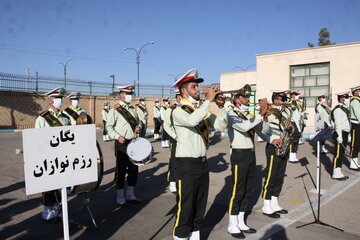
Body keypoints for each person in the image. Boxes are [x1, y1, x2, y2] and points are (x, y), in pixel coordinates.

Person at [170, 68, 227, 240]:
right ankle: (180, 236)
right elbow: (192, 120)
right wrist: (208, 102)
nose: (198, 90)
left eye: (198, 86)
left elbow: (220, 126)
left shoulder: (200, 109)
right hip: (186, 164)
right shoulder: (178, 111)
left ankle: (195, 236)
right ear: (183, 90)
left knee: (199, 205)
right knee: (186, 207)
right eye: (194, 87)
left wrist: (221, 107)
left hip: (202, 163)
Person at [224, 84, 268, 238]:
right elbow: (244, 127)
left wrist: (266, 117)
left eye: (249, 96)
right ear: (237, 99)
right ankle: (232, 224)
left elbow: (261, 130)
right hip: (239, 154)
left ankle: (241, 221)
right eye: (245, 96)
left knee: (248, 188)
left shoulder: (249, 113)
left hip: (250, 153)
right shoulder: (230, 113)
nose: (248, 99)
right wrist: (261, 113)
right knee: (238, 189)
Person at [35, 87, 70, 221]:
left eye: (60, 98)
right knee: (48, 185)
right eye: (56, 98)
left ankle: (57, 209)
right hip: (48, 157)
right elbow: (38, 139)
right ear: (50, 101)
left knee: (60, 184)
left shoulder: (65, 118)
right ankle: (47, 211)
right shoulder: (42, 118)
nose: (59, 101)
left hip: (62, 157)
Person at [106, 84, 142, 206]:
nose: (130, 96)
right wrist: (117, 136)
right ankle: (120, 196)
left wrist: (138, 128)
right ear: (121, 95)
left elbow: (138, 124)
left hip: (133, 142)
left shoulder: (132, 109)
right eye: (128, 94)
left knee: (133, 169)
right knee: (121, 170)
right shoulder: (114, 110)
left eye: (131, 94)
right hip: (121, 143)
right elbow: (109, 127)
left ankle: (130, 195)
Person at [260, 90, 292, 219]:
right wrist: (272, 139)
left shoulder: (286, 112)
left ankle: (274, 202)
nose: (284, 102)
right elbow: (263, 130)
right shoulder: (270, 111)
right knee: (271, 176)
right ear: (276, 100)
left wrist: (291, 128)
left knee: (279, 176)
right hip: (274, 146)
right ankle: (266, 205)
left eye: (284, 100)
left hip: (284, 145)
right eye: (281, 100)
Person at [163, 89, 182, 193]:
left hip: (185, 140)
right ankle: (172, 182)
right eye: (179, 96)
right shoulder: (171, 109)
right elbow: (166, 125)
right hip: (175, 139)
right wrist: (175, 136)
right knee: (174, 160)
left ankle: (180, 180)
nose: (181, 98)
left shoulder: (186, 108)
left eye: (182, 96)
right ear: (176, 97)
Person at [330, 91, 351, 180]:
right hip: (340, 133)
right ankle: (335, 172)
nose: (347, 99)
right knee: (338, 154)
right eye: (345, 98)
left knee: (341, 153)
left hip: (344, 133)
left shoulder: (344, 108)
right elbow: (338, 124)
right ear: (341, 99)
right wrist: (339, 135)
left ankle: (338, 171)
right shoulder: (338, 109)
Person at [288, 90, 301, 163]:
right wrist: (298, 128)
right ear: (292, 95)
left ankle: (294, 155)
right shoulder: (292, 103)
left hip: (296, 123)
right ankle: (291, 156)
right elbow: (295, 117)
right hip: (293, 123)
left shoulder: (296, 103)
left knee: (296, 140)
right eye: (295, 94)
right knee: (293, 140)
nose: (297, 96)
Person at [349, 86, 360, 170]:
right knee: (354, 144)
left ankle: (355, 162)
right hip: (356, 124)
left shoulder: (358, 100)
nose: (359, 91)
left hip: (358, 123)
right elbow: (358, 114)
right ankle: (353, 163)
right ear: (354, 92)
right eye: (357, 90)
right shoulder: (355, 101)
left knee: (357, 144)